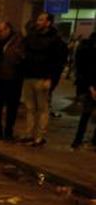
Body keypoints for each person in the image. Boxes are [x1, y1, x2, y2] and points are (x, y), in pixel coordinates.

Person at [19, 12, 68, 146]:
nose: (38, 22)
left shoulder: (55, 40)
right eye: (38, 19)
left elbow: (58, 62)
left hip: (43, 78)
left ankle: (39, 136)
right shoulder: (32, 36)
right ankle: (29, 133)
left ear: (48, 22)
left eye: (41, 20)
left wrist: (51, 79)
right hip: (29, 75)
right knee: (30, 108)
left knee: (42, 108)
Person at [0, 21, 22, 140]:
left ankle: (8, 132)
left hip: (13, 79)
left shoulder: (18, 41)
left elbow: (19, 58)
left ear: (8, 29)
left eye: (1, 31)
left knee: (11, 107)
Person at [70, 31, 96, 150]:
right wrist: (90, 86)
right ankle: (79, 139)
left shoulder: (87, 46)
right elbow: (87, 68)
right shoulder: (89, 48)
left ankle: (79, 139)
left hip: (89, 85)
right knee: (86, 113)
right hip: (90, 85)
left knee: (86, 114)